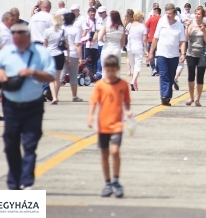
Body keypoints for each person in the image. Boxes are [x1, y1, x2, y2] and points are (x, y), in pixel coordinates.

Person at [0, 23, 54, 189]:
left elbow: (51, 76)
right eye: (15, 38)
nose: (18, 42)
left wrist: (33, 72)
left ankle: (26, 181)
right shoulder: (6, 53)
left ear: (28, 37)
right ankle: (13, 182)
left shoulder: (41, 53)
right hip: (11, 106)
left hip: (33, 106)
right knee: (11, 145)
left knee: (30, 144)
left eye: (21, 39)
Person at [88, 55, 131, 198]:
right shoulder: (100, 85)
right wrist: (90, 117)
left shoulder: (123, 85)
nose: (111, 73)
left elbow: (126, 101)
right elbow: (94, 101)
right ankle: (107, 183)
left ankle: (116, 181)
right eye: (108, 70)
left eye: (113, 70)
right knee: (104, 154)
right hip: (103, 125)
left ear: (118, 69)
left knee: (115, 151)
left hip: (117, 124)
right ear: (104, 69)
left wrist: (128, 111)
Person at [147, 3, 187, 106]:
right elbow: (155, 38)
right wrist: (151, 53)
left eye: (170, 13)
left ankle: (167, 96)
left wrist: (183, 53)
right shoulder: (162, 22)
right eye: (167, 13)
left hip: (174, 55)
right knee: (164, 75)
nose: (168, 15)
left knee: (171, 75)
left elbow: (182, 41)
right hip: (161, 53)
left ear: (174, 14)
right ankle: (164, 96)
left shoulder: (179, 26)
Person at [184, 7, 206, 106]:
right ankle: (191, 97)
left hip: (202, 54)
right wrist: (187, 27)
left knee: (200, 77)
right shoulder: (191, 25)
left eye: (199, 14)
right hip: (191, 53)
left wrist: (203, 31)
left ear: (203, 15)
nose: (197, 15)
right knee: (191, 76)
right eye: (195, 13)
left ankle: (197, 99)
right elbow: (186, 39)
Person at [43, 13, 67, 104]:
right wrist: (68, 57)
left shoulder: (47, 31)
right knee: (57, 78)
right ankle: (55, 96)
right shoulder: (63, 31)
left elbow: (45, 45)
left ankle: (54, 97)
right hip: (60, 55)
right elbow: (67, 45)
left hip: (50, 54)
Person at [61, 12, 84, 102]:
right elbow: (77, 44)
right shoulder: (76, 30)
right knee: (73, 76)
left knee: (60, 76)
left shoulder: (61, 29)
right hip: (73, 54)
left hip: (62, 53)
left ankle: (54, 95)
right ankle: (74, 96)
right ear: (73, 20)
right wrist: (80, 58)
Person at [125, 12, 147, 90]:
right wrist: (146, 50)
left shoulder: (129, 25)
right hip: (138, 47)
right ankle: (133, 81)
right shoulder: (143, 26)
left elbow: (126, 35)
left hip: (130, 47)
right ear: (140, 18)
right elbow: (144, 40)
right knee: (137, 66)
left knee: (132, 66)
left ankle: (135, 84)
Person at [82, 7, 100, 81]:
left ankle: (93, 75)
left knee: (94, 59)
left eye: (94, 12)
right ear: (88, 13)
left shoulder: (97, 21)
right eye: (91, 12)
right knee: (88, 60)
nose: (92, 14)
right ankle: (88, 75)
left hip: (95, 43)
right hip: (87, 43)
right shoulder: (86, 20)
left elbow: (97, 31)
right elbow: (85, 30)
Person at [144, 7, 160, 76]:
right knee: (159, 55)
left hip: (151, 39)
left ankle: (153, 69)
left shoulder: (151, 19)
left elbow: (145, 27)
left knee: (151, 54)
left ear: (156, 12)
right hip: (160, 39)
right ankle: (158, 69)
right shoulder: (162, 19)